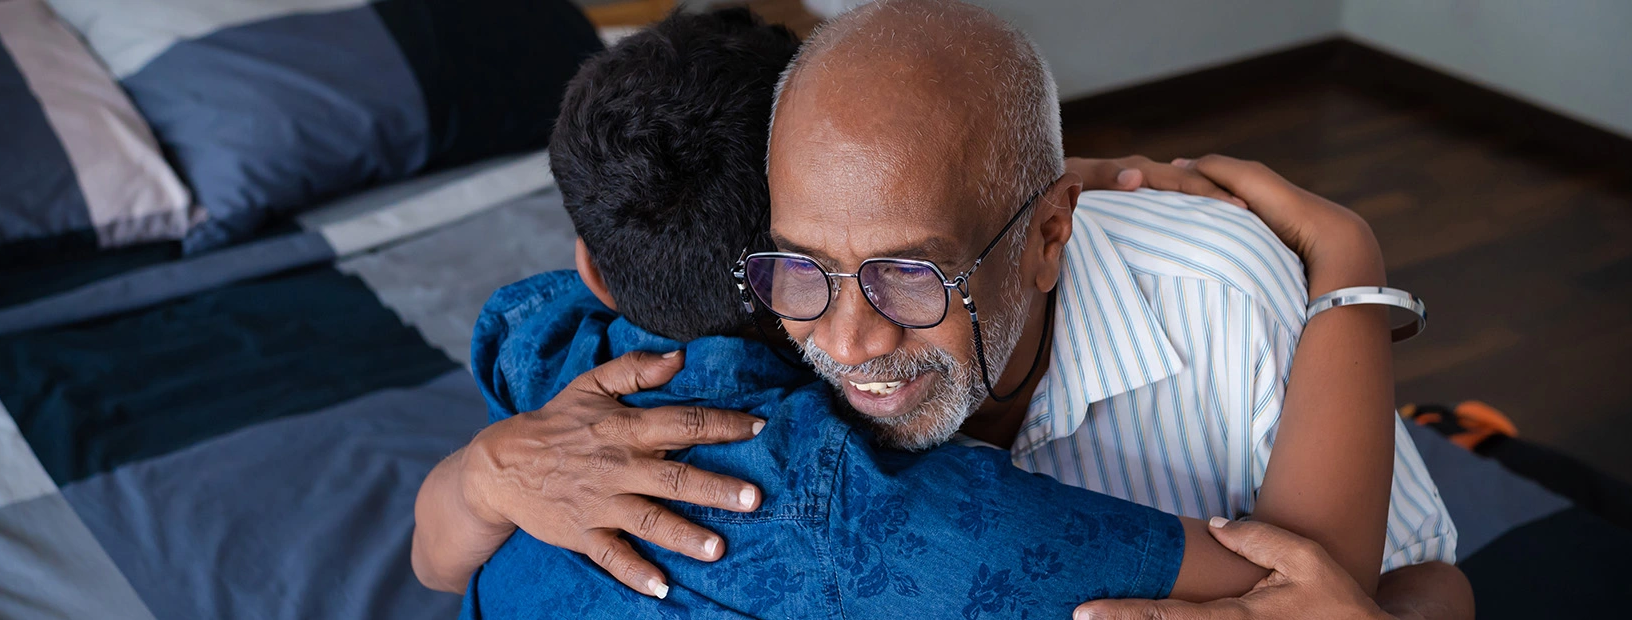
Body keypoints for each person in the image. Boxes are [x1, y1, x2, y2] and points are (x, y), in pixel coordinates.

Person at [415, 2, 1472, 617]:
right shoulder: (754, 416)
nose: (849, 340)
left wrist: (1340, 271)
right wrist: (487, 468)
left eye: (912, 274)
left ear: (1052, 232)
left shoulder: (1220, 292)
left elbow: (1413, 584)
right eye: (801, 268)